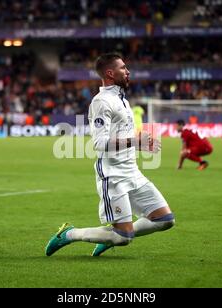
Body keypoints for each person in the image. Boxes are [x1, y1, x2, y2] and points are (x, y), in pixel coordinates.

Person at [45, 53, 175, 257]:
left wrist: (138, 146)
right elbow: (99, 143)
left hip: (132, 171)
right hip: (113, 174)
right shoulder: (102, 102)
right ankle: (69, 234)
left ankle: (110, 236)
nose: (128, 71)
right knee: (124, 238)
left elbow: (120, 137)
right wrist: (135, 141)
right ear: (110, 73)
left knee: (165, 220)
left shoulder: (121, 100)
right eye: (123, 68)